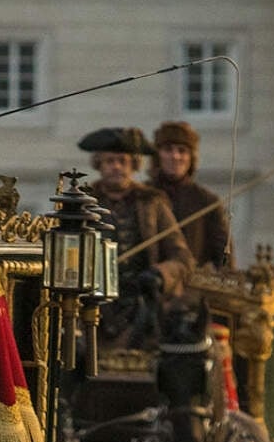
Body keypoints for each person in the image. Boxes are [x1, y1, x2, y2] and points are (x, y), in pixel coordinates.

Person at [79, 127, 191, 348]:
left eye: (123, 161)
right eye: (110, 161)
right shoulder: (83, 204)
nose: (117, 167)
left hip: (142, 308)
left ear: (133, 165)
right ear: (99, 164)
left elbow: (183, 258)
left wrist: (161, 274)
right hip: (92, 309)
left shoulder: (152, 203)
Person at [146, 120, 233, 269]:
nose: (175, 156)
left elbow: (224, 258)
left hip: (190, 286)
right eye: (168, 149)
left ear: (191, 158)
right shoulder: (143, 196)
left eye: (182, 151)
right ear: (157, 155)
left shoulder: (207, 201)